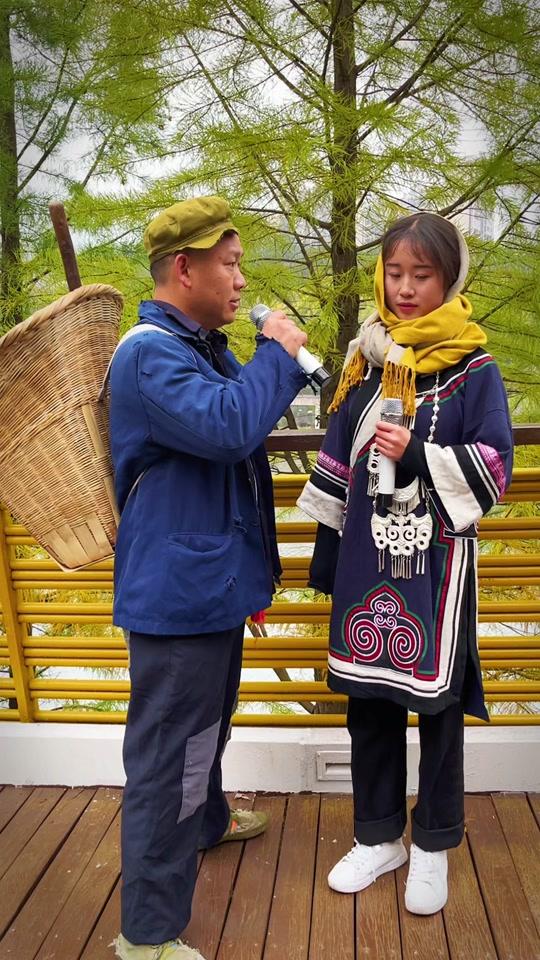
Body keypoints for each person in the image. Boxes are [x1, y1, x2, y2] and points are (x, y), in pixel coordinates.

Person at [108, 195, 308, 960]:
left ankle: (209, 822)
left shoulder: (199, 344)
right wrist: (279, 354)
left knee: (207, 729)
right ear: (183, 268)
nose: (240, 279)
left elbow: (231, 435)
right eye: (229, 264)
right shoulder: (148, 353)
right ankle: (147, 936)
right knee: (169, 760)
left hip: (209, 586)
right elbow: (230, 428)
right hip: (176, 600)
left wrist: (246, 582)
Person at [297, 212, 513, 915]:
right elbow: (337, 450)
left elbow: (494, 462)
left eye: (422, 275)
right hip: (366, 558)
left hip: (439, 566)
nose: (407, 288)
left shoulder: (473, 368)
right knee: (368, 701)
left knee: (438, 708)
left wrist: (419, 454)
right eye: (395, 274)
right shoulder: (368, 357)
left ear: (450, 278)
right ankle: (379, 836)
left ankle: (433, 845)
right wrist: (327, 550)